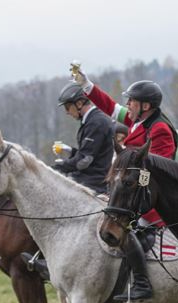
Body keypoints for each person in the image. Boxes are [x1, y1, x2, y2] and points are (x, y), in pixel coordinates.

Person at [73, 67, 178, 302]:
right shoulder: (136, 120)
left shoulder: (159, 129)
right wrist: (87, 85)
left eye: (132, 100)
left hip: (149, 199)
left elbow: (157, 170)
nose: (128, 104)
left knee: (126, 230)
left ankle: (142, 283)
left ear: (146, 106)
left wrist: (131, 185)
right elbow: (110, 107)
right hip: (130, 192)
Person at [21, 83, 114, 279]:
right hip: (87, 176)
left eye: (67, 107)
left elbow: (84, 162)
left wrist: (55, 169)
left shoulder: (96, 122)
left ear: (80, 103)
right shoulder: (91, 121)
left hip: (92, 181)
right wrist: (68, 151)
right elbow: (85, 155)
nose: (66, 112)